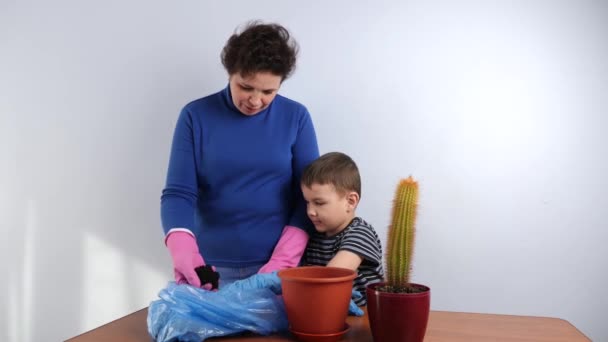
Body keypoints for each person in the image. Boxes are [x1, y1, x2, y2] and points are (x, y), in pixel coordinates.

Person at [161, 21, 319, 289]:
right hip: (209, 269)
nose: (255, 101)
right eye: (246, 87)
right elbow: (179, 193)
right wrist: (184, 250)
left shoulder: (296, 117)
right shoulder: (195, 116)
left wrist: (283, 261)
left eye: (268, 91)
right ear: (230, 73)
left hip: (278, 268)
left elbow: (310, 195)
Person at [301, 152, 384, 306]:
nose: (310, 211)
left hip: (363, 317)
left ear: (350, 202)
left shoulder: (360, 233)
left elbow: (333, 276)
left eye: (319, 203)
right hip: (326, 312)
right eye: (307, 202)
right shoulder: (315, 237)